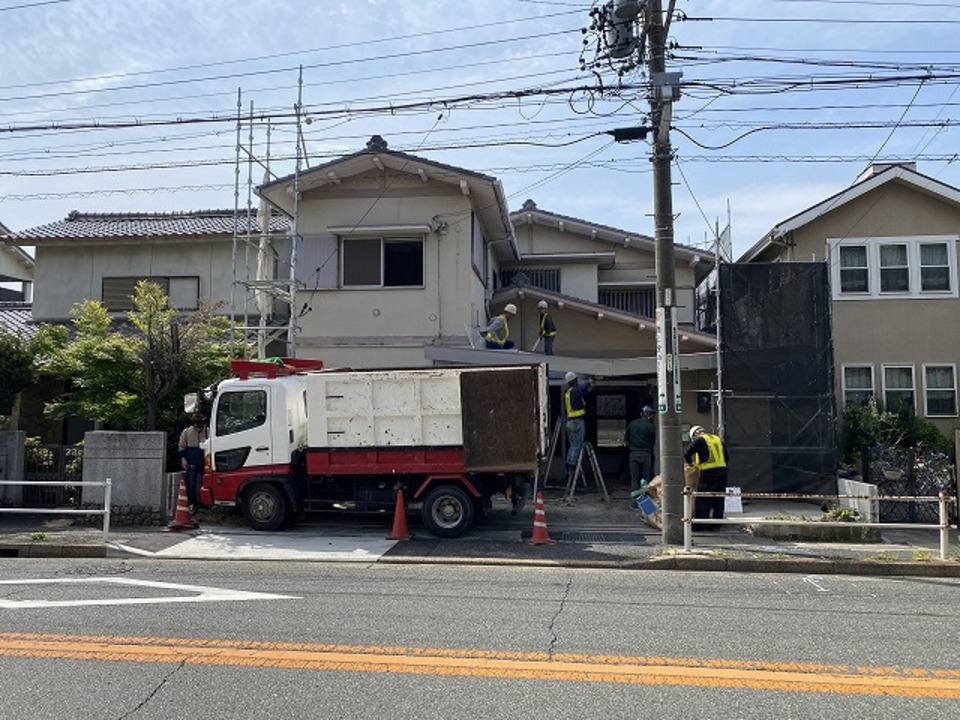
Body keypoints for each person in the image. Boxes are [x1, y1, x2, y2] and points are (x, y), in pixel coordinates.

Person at [683, 424, 729, 531]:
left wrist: (692, 464)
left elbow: (687, 454)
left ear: (694, 435)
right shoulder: (717, 439)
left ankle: (701, 525)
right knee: (719, 499)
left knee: (704, 499)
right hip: (722, 473)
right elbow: (726, 457)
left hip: (708, 473)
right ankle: (716, 526)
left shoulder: (699, 440)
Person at [563, 371, 595, 481]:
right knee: (577, 445)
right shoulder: (576, 390)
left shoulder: (568, 392)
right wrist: (590, 381)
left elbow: (584, 391)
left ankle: (568, 464)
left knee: (572, 445)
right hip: (577, 422)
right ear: (575, 380)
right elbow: (583, 387)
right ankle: (572, 466)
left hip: (570, 422)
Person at [178, 412, 208, 513]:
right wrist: (183, 459)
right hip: (191, 460)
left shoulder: (208, 431)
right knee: (190, 484)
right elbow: (182, 446)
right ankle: (192, 504)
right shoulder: (187, 432)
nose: (198, 425)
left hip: (205, 460)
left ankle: (207, 504)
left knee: (207, 483)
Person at [624, 405, 656, 499]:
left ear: (641, 414)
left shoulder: (632, 424)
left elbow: (626, 439)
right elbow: (652, 442)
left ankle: (635, 502)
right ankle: (645, 501)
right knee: (645, 479)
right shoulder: (651, 427)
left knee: (635, 478)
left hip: (634, 453)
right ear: (650, 416)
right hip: (646, 454)